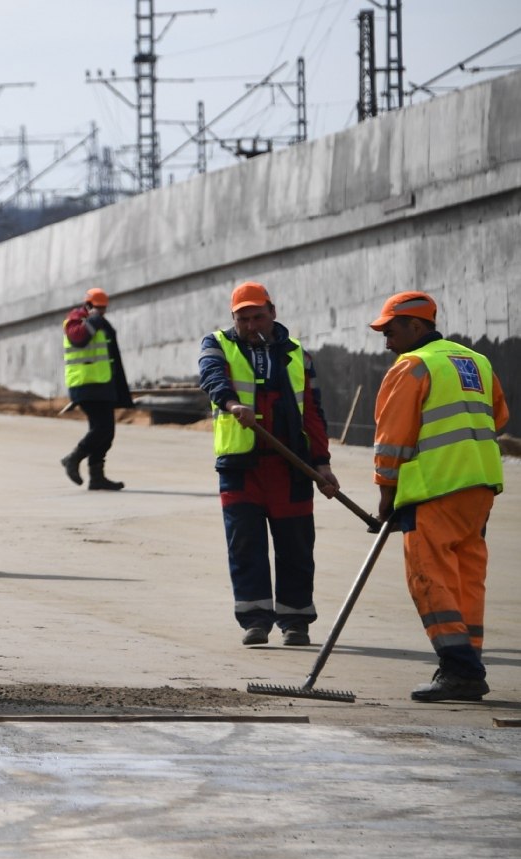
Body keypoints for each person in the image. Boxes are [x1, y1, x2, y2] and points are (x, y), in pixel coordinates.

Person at [369, 291, 508, 702]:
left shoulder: (412, 366)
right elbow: (498, 415)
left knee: (428, 577)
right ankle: (468, 663)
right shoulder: (476, 360)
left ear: (416, 326)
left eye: (391, 331)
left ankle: (460, 669)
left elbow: (392, 440)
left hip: (434, 489)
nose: (387, 341)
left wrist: (386, 497)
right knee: (467, 577)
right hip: (479, 487)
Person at [197, 281, 341, 647]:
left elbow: (313, 412)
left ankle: (295, 621)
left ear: (272, 312)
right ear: (233, 318)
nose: (251, 324)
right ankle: (255, 620)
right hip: (241, 466)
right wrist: (231, 404)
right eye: (242, 318)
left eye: (258, 316)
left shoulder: (297, 354)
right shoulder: (217, 344)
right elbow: (212, 378)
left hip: (290, 466)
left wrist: (322, 463)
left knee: (296, 546)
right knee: (246, 546)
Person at [59, 287, 134, 490]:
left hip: (103, 385)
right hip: (85, 384)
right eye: (97, 307)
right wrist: (92, 319)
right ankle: (73, 458)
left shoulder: (99, 321)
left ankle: (97, 476)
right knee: (101, 428)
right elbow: (79, 338)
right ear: (88, 304)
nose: (101, 311)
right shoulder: (76, 319)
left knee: (106, 432)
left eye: (103, 308)